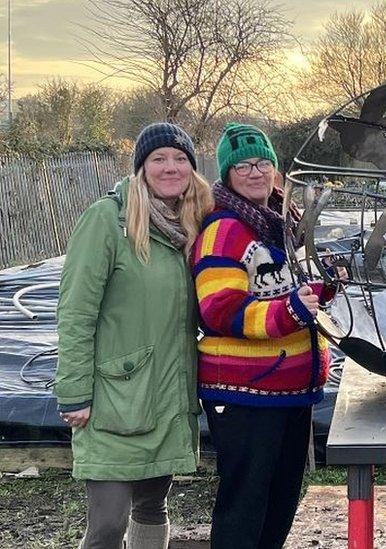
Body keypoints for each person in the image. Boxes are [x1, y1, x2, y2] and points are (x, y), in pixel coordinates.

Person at [55, 122, 213, 548]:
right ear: (141, 168)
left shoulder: (190, 226)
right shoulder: (108, 221)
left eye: (180, 158)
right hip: (113, 399)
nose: (171, 167)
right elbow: (75, 312)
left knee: (152, 507)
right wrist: (74, 391)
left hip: (167, 393)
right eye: (159, 158)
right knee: (108, 523)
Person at [191, 122, 330, 549]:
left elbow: (303, 286)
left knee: (281, 498)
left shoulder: (285, 222)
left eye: (264, 162)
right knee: (245, 502)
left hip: (291, 388)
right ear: (227, 173)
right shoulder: (224, 229)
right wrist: (290, 311)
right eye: (244, 165)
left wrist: (333, 282)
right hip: (244, 389)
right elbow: (220, 309)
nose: (256, 172)